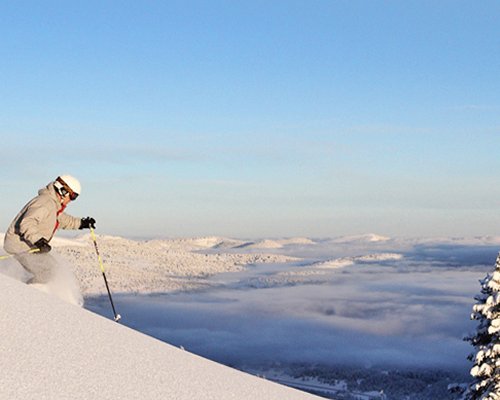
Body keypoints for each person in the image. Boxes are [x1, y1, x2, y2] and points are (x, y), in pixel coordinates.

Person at [3, 175, 96, 302]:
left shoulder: (53, 205)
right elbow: (27, 222)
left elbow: (60, 220)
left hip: (29, 244)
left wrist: (81, 223)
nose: (72, 200)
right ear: (63, 191)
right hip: (20, 245)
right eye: (72, 196)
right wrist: (38, 240)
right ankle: (24, 298)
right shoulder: (45, 203)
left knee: (54, 269)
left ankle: (32, 295)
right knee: (48, 272)